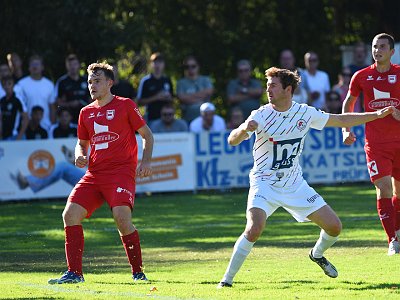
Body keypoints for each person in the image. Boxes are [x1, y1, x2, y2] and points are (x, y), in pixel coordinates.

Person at [217, 67, 399, 288]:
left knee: (334, 227)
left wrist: (376, 115)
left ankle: (316, 254)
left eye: (273, 85)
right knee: (255, 227)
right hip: (264, 183)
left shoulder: (304, 113)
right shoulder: (261, 114)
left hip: (294, 185)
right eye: (267, 85)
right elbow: (232, 140)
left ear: (288, 89)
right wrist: (244, 129)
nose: (268, 89)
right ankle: (226, 281)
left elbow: (340, 120)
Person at [48, 62, 154, 284]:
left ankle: (138, 273)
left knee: (121, 218)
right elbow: (81, 143)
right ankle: (74, 274)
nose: (92, 85)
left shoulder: (126, 105)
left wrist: (145, 162)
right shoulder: (85, 112)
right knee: (69, 215)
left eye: (97, 81)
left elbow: (147, 135)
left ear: (109, 83)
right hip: (94, 174)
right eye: (89, 81)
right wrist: (79, 154)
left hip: (121, 172)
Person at [342, 33, 400, 255]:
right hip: (376, 145)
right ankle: (392, 241)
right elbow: (349, 103)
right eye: (375, 47)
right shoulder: (361, 76)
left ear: (392, 51)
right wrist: (346, 130)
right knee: (383, 188)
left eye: (383, 47)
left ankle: (398, 230)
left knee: (398, 193)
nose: (378, 50)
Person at [16, 55, 55, 130]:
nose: (35, 66)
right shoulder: (21, 84)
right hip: (27, 127)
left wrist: (52, 125)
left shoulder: (49, 84)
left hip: (46, 126)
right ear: (29, 68)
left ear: (42, 67)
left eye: (37, 64)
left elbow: (52, 107)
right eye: (32, 64)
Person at [137, 53, 174, 123]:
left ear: (164, 64)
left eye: (160, 62)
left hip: (167, 117)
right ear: (151, 64)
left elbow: (173, 99)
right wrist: (156, 97)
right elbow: (139, 101)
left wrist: (169, 98)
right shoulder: (146, 81)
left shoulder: (167, 80)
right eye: (155, 62)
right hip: (151, 117)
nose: (157, 65)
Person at [177, 55, 214, 124]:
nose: (190, 69)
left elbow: (209, 92)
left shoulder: (205, 80)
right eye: (187, 67)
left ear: (198, 66)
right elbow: (182, 98)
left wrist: (189, 96)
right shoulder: (181, 83)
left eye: (193, 66)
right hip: (188, 119)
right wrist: (201, 97)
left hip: (206, 120)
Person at [55, 54, 91, 124]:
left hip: (86, 118)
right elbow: (58, 103)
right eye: (70, 64)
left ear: (79, 65)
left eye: (75, 64)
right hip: (68, 121)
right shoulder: (62, 82)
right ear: (66, 66)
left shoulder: (87, 80)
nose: (73, 67)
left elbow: (93, 99)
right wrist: (70, 104)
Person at [0, 75, 29, 140]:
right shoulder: (2, 100)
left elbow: (26, 119)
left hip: (16, 135)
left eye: (9, 84)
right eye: (4, 84)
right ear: (2, 86)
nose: (7, 87)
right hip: (4, 137)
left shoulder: (18, 99)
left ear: (13, 85)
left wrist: (20, 136)